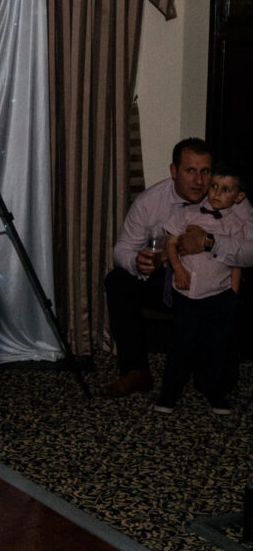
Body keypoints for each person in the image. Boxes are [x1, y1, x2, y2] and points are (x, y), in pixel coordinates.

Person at [103, 138, 213, 397]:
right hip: (167, 281)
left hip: (211, 282)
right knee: (118, 280)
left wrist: (208, 242)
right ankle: (135, 371)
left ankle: (212, 369)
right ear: (174, 171)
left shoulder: (226, 198)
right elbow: (122, 248)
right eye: (190, 171)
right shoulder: (151, 201)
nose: (199, 180)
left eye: (205, 171)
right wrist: (136, 261)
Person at [155, 163, 248, 414]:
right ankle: (169, 394)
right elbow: (171, 245)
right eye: (215, 186)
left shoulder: (237, 225)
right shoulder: (187, 214)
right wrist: (179, 270)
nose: (217, 193)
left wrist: (233, 296)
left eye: (226, 190)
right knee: (181, 346)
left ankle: (215, 392)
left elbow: (236, 263)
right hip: (187, 293)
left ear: (238, 196)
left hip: (219, 296)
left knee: (215, 347)